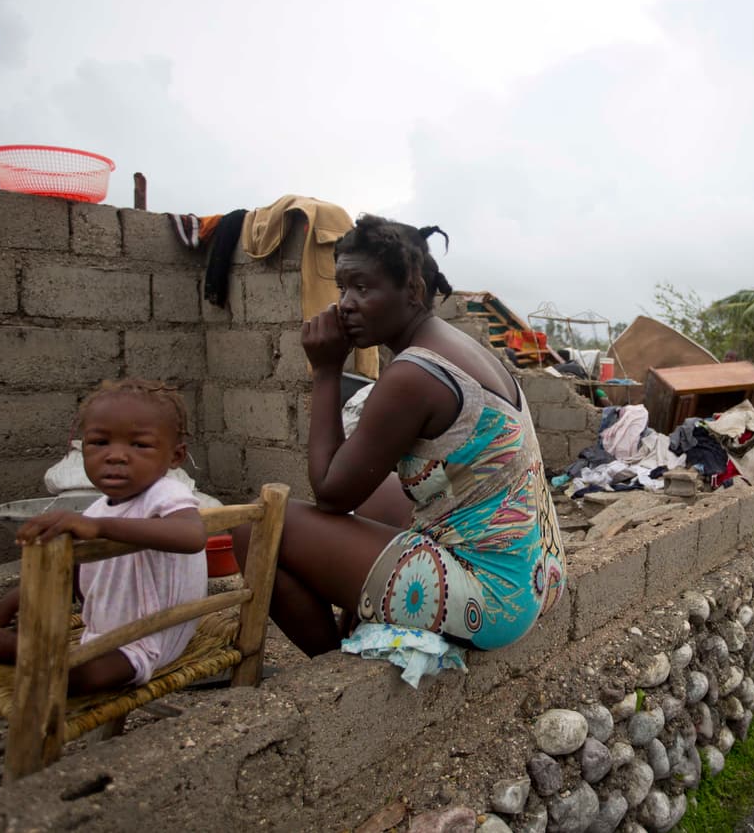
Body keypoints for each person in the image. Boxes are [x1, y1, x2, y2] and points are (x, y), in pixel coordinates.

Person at [234, 215, 566, 657]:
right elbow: (356, 483)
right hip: (536, 572)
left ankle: (335, 665)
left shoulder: (412, 374)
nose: (345, 305)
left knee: (254, 529)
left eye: (363, 288)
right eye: (342, 289)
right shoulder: (451, 343)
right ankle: (365, 614)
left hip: (494, 601)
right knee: (371, 498)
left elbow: (330, 492)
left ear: (412, 289)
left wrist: (327, 370)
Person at [0, 380, 207, 695]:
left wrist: (100, 527)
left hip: (149, 639)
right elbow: (72, 571)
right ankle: (10, 637)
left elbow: (192, 536)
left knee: (76, 679)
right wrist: (8, 604)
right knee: (63, 578)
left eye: (139, 445)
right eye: (99, 442)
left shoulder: (165, 493)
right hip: (106, 634)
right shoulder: (97, 508)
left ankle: (18, 649)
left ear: (175, 457)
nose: (116, 456)